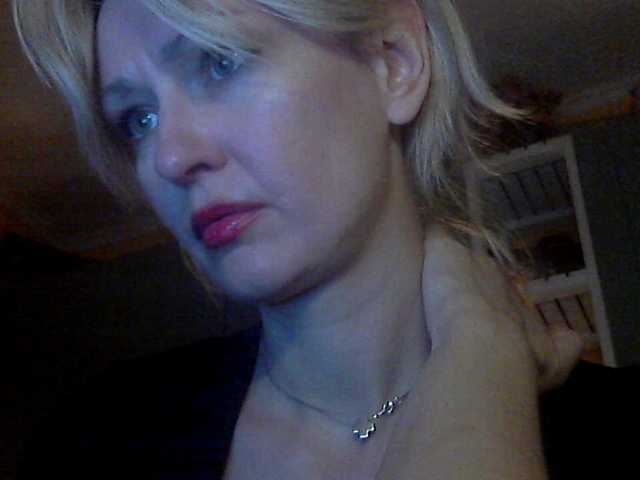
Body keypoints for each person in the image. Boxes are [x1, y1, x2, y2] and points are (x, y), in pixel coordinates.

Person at [14, 0, 618, 478]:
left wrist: (481, 361)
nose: (169, 157)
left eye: (219, 61)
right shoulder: (96, 441)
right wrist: (480, 345)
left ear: (393, 61)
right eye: (138, 120)